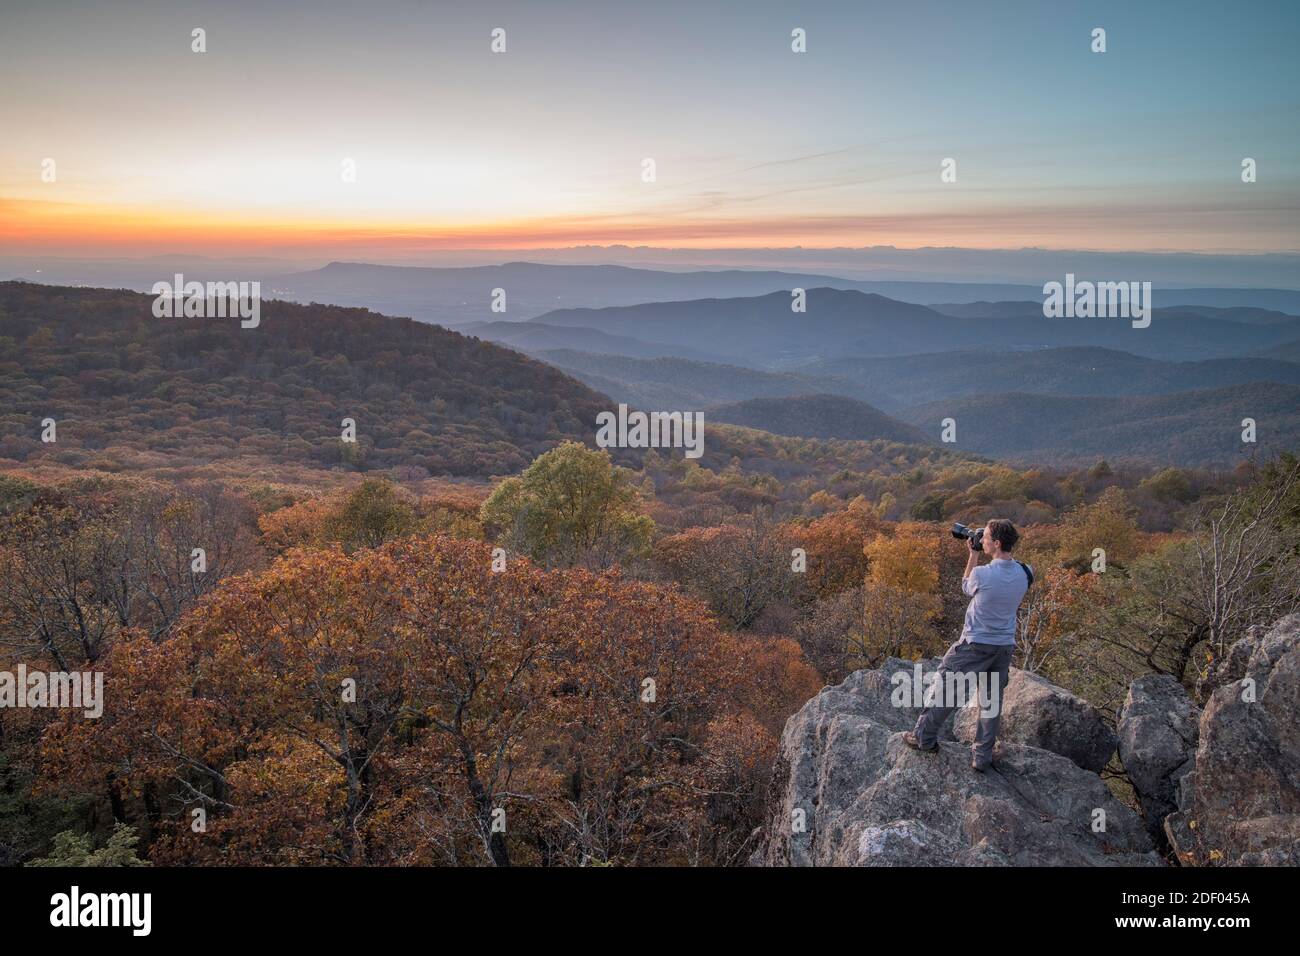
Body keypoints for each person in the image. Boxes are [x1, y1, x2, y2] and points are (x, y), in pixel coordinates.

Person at [903, 518, 1030, 772]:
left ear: (996, 543)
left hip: (975, 644)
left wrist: (972, 555)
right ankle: (982, 757)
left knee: (947, 687)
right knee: (991, 701)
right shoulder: (1027, 572)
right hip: (1004, 646)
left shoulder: (982, 574)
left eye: (986, 537)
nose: (981, 538)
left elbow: (966, 587)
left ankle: (923, 737)